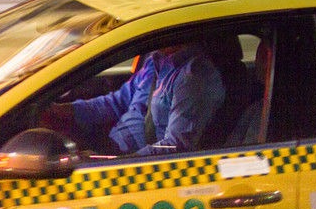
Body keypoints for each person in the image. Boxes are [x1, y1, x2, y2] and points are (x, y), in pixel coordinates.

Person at [42, 42, 225, 157]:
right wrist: (60, 110)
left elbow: (176, 145)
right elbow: (116, 103)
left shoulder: (194, 77)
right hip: (112, 147)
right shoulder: (156, 62)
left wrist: (114, 163)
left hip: (133, 164)